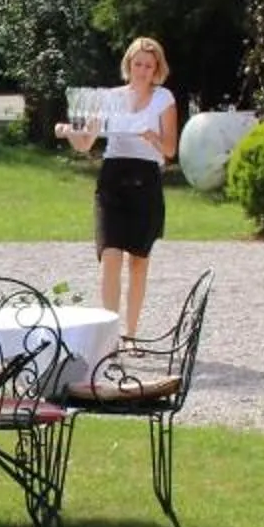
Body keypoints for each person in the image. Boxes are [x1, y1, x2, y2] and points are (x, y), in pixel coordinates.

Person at [56, 37, 180, 337]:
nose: (142, 70)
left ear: (157, 69)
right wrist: (67, 132)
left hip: (145, 179)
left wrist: (152, 136)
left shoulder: (164, 99)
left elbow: (171, 150)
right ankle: (108, 335)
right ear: (129, 65)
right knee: (110, 256)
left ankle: (131, 335)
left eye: (148, 65)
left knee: (138, 262)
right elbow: (86, 142)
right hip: (113, 178)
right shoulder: (110, 97)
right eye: (137, 64)